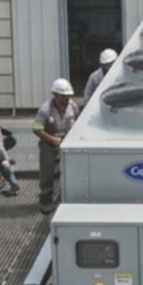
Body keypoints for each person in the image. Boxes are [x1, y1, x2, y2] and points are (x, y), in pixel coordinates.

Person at [32, 77, 79, 214]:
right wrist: (51, 139)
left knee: (70, 172)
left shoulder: (73, 106)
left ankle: (66, 198)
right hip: (49, 145)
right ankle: (46, 200)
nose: (65, 100)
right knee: (47, 174)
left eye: (67, 97)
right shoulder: (45, 109)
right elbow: (36, 128)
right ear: (55, 95)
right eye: (62, 97)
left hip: (68, 144)